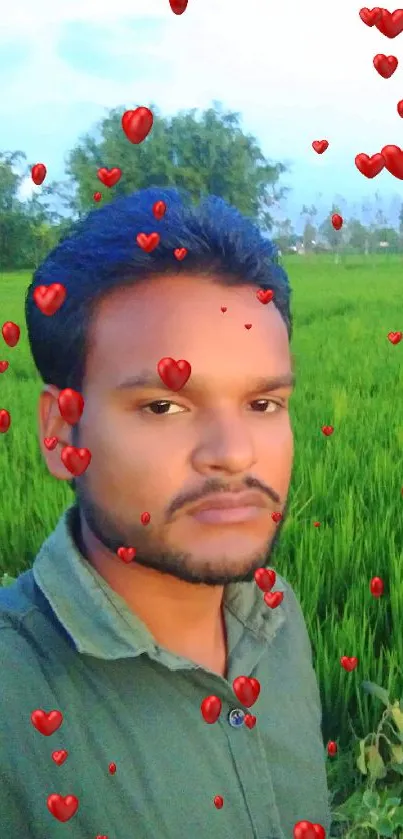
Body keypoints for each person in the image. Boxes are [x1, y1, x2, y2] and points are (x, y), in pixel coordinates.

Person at [0, 187, 331, 839]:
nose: (234, 455)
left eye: (263, 403)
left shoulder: (275, 616)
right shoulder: (15, 703)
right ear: (61, 434)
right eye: (163, 406)